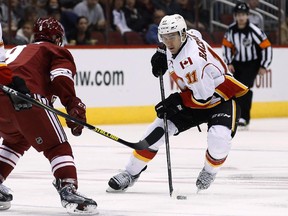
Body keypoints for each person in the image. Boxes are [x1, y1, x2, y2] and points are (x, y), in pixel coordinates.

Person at [106, 14, 248, 193]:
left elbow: (204, 97)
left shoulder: (191, 61)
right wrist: (162, 51)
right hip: (195, 97)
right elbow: (195, 33)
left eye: (171, 36)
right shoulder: (188, 37)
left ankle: (210, 171)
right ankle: (130, 173)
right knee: (156, 132)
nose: (168, 41)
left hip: (221, 99)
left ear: (182, 34)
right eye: (164, 37)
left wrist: (176, 101)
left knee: (219, 139)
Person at [0, 17, 98, 215]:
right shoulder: (56, 50)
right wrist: (73, 106)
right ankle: (68, 188)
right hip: (25, 96)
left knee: (16, 141)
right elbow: (61, 77)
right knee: (57, 145)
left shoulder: (18, 50)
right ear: (57, 38)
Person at [222, 2, 272, 129]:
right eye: (238, 14)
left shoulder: (255, 31)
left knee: (244, 89)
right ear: (235, 16)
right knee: (235, 90)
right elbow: (226, 47)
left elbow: (267, 47)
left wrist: (263, 66)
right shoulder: (231, 30)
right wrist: (229, 62)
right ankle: (237, 116)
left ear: (248, 15)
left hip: (252, 63)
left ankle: (244, 117)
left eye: (243, 14)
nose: (241, 17)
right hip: (238, 63)